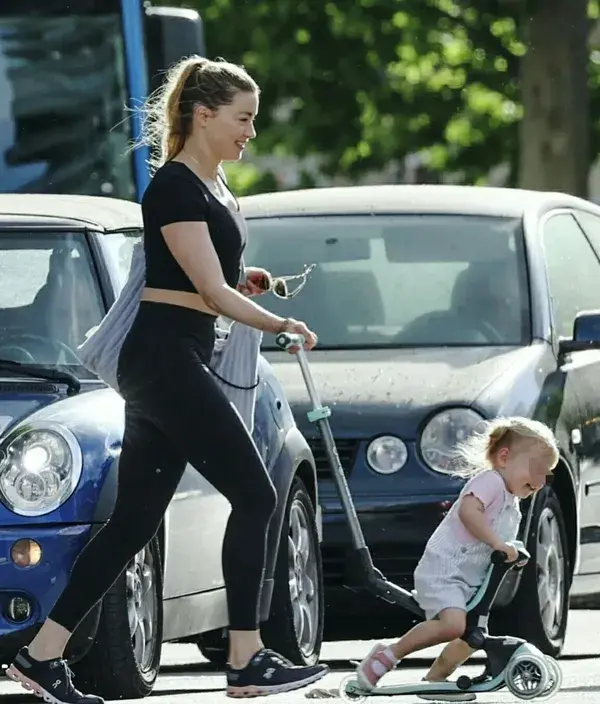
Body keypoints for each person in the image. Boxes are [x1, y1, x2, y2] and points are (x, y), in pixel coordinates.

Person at [6, 55, 329, 702]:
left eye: (254, 121)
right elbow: (207, 292)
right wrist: (278, 322)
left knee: (129, 524)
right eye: (242, 119)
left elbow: (208, 279)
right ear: (203, 115)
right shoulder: (175, 189)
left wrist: (247, 283)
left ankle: (41, 655)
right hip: (162, 363)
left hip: (176, 359)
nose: (251, 133)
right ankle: (245, 657)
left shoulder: (215, 190)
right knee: (257, 496)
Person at [354, 416, 559, 702]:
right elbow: (468, 513)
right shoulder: (490, 482)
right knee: (454, 625)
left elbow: (500, 540)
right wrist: (499, 543)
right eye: (537, 470)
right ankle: (387, 656)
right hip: (444, 569)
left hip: (469, 578)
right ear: (504, 457)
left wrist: (513, 551)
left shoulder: (511, 501)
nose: (540, 481)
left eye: (547, 475)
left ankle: (435, 679)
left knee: (472, 636)